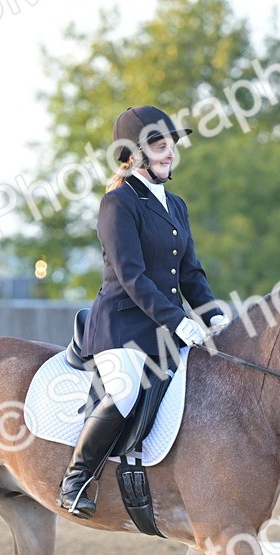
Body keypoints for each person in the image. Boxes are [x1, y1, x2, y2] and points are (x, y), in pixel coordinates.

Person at [58, 105, 228, 518]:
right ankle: (75, 480)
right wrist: (180, 322)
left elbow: (190, 273)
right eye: (159, 145)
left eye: (171, 144)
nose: (170, 152)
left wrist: (214, 318)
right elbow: (131, 277)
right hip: (122, 326)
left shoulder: (176, 205)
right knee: (125, 391)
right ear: (134, 153)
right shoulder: (118, 203)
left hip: (165, 329)